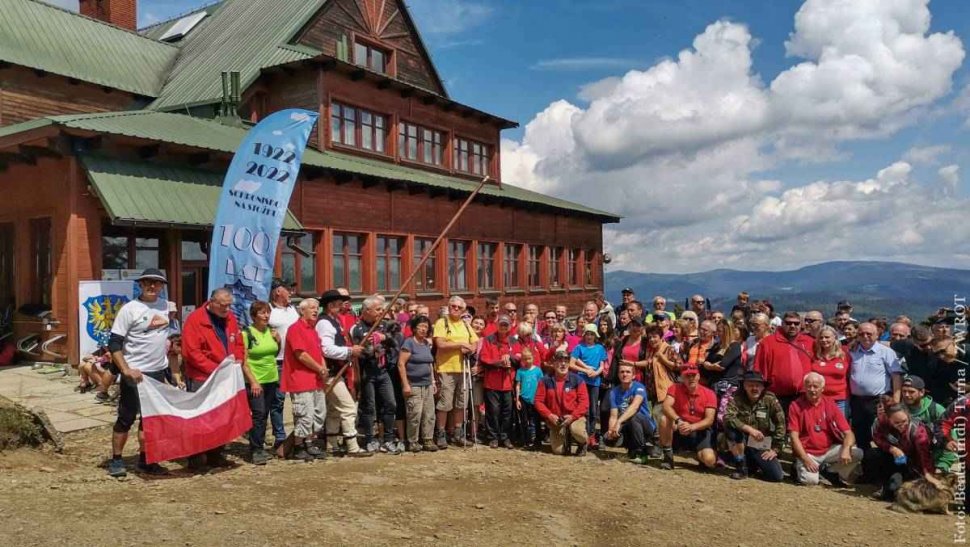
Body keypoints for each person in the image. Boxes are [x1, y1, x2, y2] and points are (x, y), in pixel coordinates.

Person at [105, 268, 177, 477]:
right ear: (141, 285)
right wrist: (126, 369)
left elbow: (168, 337)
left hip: (157, 373)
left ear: (162, 286)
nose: (152, 287)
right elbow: (114, 343)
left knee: (151, 420)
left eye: (157, 283)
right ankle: (117, 460)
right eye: (148, 283)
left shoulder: (165, 306)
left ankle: (146, 459)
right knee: (126, 418)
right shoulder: (130, 309)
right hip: (135, 373)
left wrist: (171, 372)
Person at [181, 287, 247, 471]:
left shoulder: (230, 318)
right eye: (223, 305)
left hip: (226, 375)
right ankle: (196, 457)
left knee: (222, 416)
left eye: (229, 305)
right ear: (212, 302)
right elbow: (192, 352)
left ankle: (216, 454)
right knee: (201, 416)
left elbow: (238, 342)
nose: (227, 309)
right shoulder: (195, 320)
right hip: (203, 376)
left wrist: (239, 359)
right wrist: (215, 370)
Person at [316, 290, 370, 457]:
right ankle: (352, 445)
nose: (342, 307)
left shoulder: (334, 320)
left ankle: (331, 443)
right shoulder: (325, 323)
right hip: (331, 372)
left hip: (338, 370)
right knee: (347, 408)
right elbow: (326, 349)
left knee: (334, 409)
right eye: (339, 304)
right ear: (330, 306)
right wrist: (349, 351)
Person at [788, 372, 863, 486]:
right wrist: (805, 459)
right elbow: (794, 437)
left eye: (816, 386)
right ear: (804, 387)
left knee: (857, 453)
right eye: (809, 386)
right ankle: (799, 466)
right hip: (808, 453)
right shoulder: (795, 405)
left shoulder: (830, 404)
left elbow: (848, 433)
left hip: (828, 450)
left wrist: (846, 448)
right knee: (811, 481)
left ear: (822, 388)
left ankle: (831, 472)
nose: (812, 389)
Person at [350, 294, 400, 454]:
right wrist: (372, 348)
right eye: (378, 309)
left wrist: (384, 337)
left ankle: (388, 439)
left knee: (390, 403)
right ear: (367, 310)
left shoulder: (383, 325)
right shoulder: (357, 328)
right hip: (368, 373)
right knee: (369, 407)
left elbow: (395, 342)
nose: (381, 312)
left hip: (383, 371)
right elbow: (360, 353)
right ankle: (370, 439)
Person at [281, 298, 328, 461]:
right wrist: (319, 368)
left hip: (316, 379)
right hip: (300, 379)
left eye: (317, 308)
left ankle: (310, 443)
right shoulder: (295, 329)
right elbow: (301, 354)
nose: (316, 311)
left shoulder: (313, 330)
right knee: (304, 413)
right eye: (312, 308)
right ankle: (299, 446)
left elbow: (318, 352)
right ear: (302, 310)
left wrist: (323, 368)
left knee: (318, 413)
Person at [433, 295, 479, 448]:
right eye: (453, 306)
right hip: (446, 368)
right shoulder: (442, 322)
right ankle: (441, 433)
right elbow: (440, 343)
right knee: (445, 403)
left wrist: (471, 349)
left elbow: (475, 341)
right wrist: (460, 344)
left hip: (463, 368)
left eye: (459, 307)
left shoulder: (465, 324)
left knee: (461, 402)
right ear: (449, 306)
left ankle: (458, 433)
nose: (456, 309)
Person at [869, 404, 942, 500]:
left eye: (904, 421)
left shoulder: (918, 431)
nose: (902, 425)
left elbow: (924, 456)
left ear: (908, 416)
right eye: (896, 422)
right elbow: (877, 438)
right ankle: (881, 484)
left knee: (902, 492)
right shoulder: (880, 423)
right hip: (895, 459)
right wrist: (892, 449)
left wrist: (929, 475)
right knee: (873, 454)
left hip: (914, 464)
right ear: (888, 419)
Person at [848, 322, 902, 450]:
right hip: (857, 401)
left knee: (881, 432)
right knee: (860, 433)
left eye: (869, 334)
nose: (865, 336)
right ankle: (865, 463)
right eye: (861, 334)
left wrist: (896, 399)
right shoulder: (852, 351)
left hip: (879, 400)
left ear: (877, 335)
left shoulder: (886, 352)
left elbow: (896, 376)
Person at [724, 371, 785, 482]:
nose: (754, 388)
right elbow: (728, 417)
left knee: (776, 476)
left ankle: (752, 464)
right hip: (741, 439)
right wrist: (749, 429)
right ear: (744, 386)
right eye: (750, 385)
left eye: (758, 385)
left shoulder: (770, 399)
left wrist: (775, 449)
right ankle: (741, 467)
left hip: (760, 442)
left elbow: (781, 424)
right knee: (731, 431)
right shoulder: (737, 397)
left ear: (763, 387)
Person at [241, 300, 282, 465]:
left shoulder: (271, 332)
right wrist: (253, 382)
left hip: (271, 378)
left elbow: (274, 353)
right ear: (253, 316)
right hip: (255, 380)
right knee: (258, 414)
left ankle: (260, 443)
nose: (266, 316)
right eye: (262, 313)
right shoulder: (247, 334)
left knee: (265, 414)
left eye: (268, 312)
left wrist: (278, 341)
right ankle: (255, 449)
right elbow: (243, 361)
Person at [752, 311, 814, 413]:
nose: (792, 326)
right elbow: (759, 369)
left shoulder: (809, 342)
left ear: (801, 324)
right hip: (777, 396)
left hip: (804, 395)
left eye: (796, 323)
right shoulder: (768, 342)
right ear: (782, 324)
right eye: (788, 323)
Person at [659, 365, 717, 471]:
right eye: (687, 376)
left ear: (698, 376)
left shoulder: (709, 393)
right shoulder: (674, 388)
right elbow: (666, 406)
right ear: (682, 377)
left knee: (710, 461)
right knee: (664, 419)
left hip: (699, 430)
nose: (691, 378)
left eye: (693, 375)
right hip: (679, 426)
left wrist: (692, 427)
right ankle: (668, 456)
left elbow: (709, 420)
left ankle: (698, 456)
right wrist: (679, 421)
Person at [534, 350, 590, 455]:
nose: (563, 364)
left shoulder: (578, 380)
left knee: (577, 431)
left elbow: (584, 403)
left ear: (569, 364)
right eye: (559, 361)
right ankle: (565, 438)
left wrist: (573, 416)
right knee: (558, 451)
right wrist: (549, 415)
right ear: (553, 363)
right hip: (555, 419)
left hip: (575, 417)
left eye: (566, 361)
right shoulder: (544, 381)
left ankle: (583, 443)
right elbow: (538, 401)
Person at [267, 278, 299, 451]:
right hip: (277, 360)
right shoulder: (268, 311)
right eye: (288, 289)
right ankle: (279, 436)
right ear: (278, 291)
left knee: (298, 400)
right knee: (278, 400)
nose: (291, 292)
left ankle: (299, 435)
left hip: (295, 360)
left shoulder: (293, 309)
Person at [398, 316, 437, 452]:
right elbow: (401, 364)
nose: (423, 329)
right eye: (421, 326)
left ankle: (428, 439)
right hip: (413, 384)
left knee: (429, 414)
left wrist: (433, 381)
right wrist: (405, 385)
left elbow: (429, 363)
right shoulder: (409, 343)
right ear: (414, 328)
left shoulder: (426, 344)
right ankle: (413, 441)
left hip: (427, 384)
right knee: (415, 414)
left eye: (426, 327)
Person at [606, 362, 656, 464]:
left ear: (633, 375)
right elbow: (613, 415)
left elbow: (634, 407)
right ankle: (632, 448)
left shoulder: (639, 387)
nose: (625, 374)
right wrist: (611, 430)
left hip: (645, 425)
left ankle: (642, 452)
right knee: (607, 438)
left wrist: (618, 422)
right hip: (628, 425)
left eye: (628, 372)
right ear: (618, 375)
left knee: (634, 417)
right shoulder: (613, 392)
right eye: (622, 372)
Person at [479, 315, 516, 448]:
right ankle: (493, 437)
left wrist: (510, 357)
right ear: (497, 325)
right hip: (492, 382)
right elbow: (484, 358)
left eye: (506, 325)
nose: (503, 327)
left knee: (507, 412)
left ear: (510, 327)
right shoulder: (489, 339)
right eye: (501, 324)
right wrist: (499, 363)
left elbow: (519, 358)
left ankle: (505, 436)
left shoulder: (513, 341)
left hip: (507, 382)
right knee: (493, 411)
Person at [569, 323, 608, 449]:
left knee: (593, 409)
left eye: (592, 334)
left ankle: (591, 434)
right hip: (581, 382)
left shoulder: (600, 348)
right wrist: (586, 370)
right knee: (582, 408)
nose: (589, 336)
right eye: (587, 334)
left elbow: (602, 365)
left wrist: (596, 373)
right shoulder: (579, 347)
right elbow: (572, 364)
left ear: (595, 336)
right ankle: (581, 433)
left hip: (595, 382)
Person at [811, 326, 851, 416]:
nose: (824, 340)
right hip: (819, 398)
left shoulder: (844, 355)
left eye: (827, 337)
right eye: (821, 337)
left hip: (840, 400)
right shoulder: (815, 355)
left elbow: (850, 375)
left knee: (840, 427)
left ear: (835, 338)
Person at [515, 347, 543, 450]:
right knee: (524, 420)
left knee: (536, 420)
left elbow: (541, 385)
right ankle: (526, 440)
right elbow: (518, 385)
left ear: (533, 358)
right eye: (525, 359)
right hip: (523, 398)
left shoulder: (538, 370)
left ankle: (537, 440)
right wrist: (517, 399)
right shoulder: (520, 371)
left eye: (529, 358)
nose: (527, 361)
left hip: (535, 399)